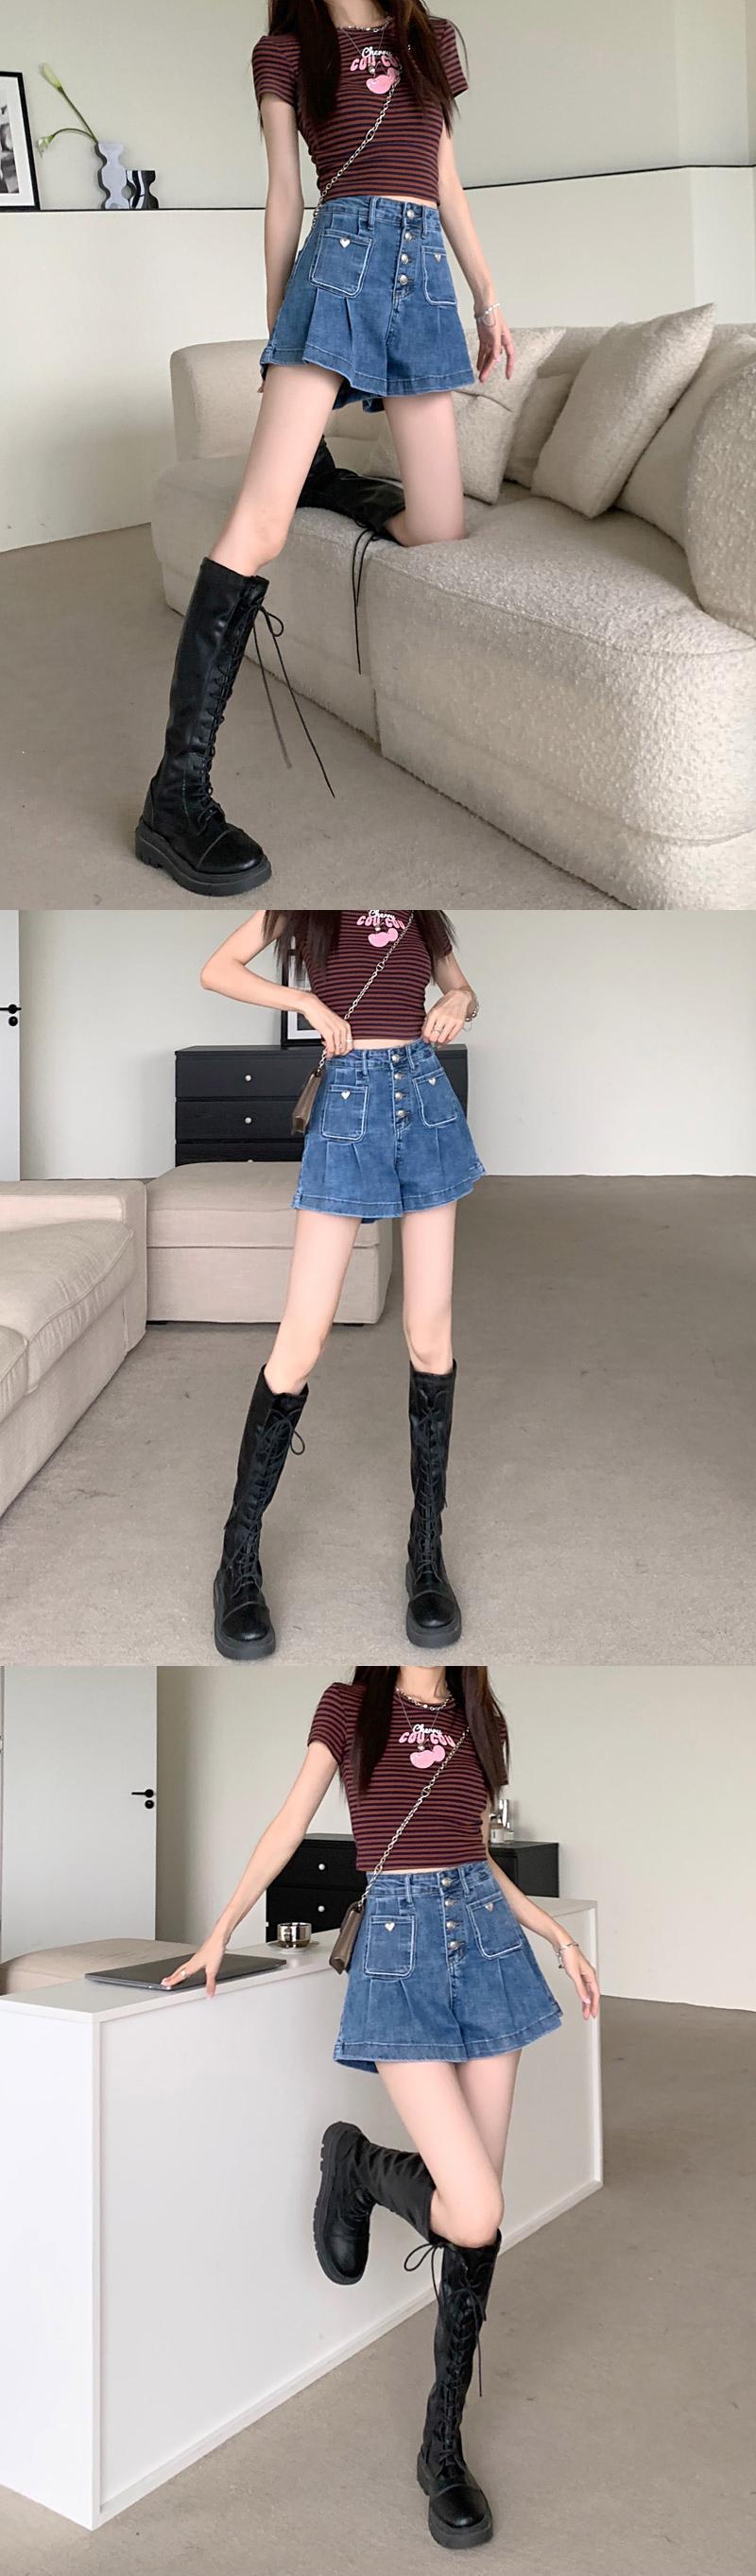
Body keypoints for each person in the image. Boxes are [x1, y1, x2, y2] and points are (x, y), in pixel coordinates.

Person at [164, 1664, 600, 2550]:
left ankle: (442, 2448)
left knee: (474, 2225)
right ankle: (356, 2164)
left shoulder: (482, 1713)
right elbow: (291, 1822)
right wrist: (221, 1928)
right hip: (399, 1950)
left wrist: (556, 1934)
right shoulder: (349, 1705)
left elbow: (476, 1853)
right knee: (474, 2209)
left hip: (488, 1944)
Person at [134, 1, 513, 896]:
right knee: (256, 527)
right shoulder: (285, 51)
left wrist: (488, 297)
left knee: (438, 529)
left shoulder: (430, 38)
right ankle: (173, 797)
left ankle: (332, 488)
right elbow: (284, 193)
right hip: (338, 261)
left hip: (423, 273)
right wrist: (279, 331)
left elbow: (444, 176)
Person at [200, 908, 485, 1658]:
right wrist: (304, 1001)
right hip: (349, 1101)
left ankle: (426, 1552)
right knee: (302, 1340)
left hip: (425, 1099)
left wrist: (459, 1000)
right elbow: (216, 969)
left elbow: (460, 988)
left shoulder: (420, 905)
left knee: (431, 1337)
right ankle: (237, 1556)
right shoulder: (303, 903)